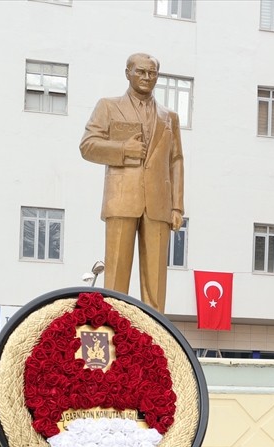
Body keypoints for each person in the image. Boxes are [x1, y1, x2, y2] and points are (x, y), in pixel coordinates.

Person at [80, 53, 185, 312]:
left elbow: (176, 161)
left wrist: (177, 207)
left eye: (152, 73)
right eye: (141, 71)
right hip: (121, 198)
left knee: (156, 283)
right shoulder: (108, 106)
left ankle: (154, 330)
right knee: (116, 276)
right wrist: (123, 149)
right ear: (128, 73)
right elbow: (87, 146)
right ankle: (114, 323)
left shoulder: (169, 117)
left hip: (159, 204)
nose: (147, 77)